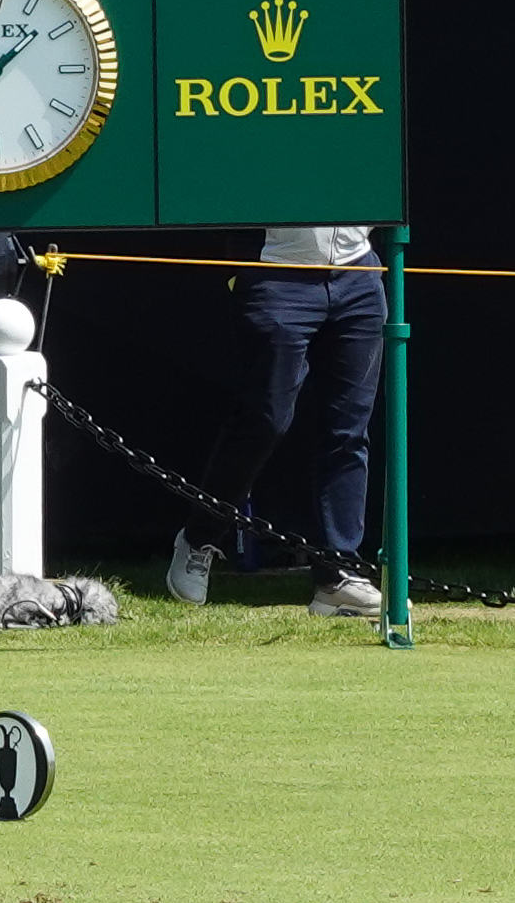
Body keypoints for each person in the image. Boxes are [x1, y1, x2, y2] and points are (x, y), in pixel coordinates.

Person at [165, 225, 389, 618]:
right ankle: (198, 540)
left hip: (359, 276)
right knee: (265, 421)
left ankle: (336, 576)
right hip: (276, 272)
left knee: (349, 433)